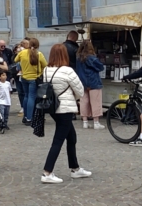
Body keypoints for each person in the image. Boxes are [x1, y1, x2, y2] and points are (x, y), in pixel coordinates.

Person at [40, 44, 91, 184]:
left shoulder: (46, 70)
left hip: (53, 108)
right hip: (65, 108)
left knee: (72, 137)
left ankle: (75, 168)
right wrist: (71, 98)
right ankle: (47, 172)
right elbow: (80, 91)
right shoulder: (67, 71)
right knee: (58, 140)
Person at [14, 38, 47, 125]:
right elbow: (45, 65)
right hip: (34, 78)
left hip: (24, 77)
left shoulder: (22, 53)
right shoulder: (39, 54)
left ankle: (26, 116)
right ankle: (30, 118)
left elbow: (15, 60)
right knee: (32, 97)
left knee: (26, 96)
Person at [74, 41, 106, 130]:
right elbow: (100, 67)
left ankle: (85, 122)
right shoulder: (92, 58)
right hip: (93, 82)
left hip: (83, 82)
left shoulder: (78, 58)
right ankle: (96, 122)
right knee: (95, 102)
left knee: (84, 101)